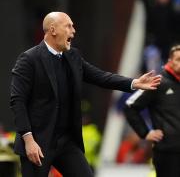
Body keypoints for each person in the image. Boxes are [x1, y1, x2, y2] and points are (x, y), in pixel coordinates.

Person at [10, 12, 161, 177]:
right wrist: (28, 140)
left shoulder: (73, 56)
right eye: (69, 26)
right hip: (37, 141)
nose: (73, 31)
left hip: (66, 142)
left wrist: (133, 83)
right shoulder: (28, 59)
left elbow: (101, 77)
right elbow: (18, 101)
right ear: (53, 30)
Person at [124, 44, 180, 177]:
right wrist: (145, 133)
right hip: (167, 153)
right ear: (169, 61)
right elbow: (130, 106)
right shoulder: (158, 82)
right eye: (178, 59)